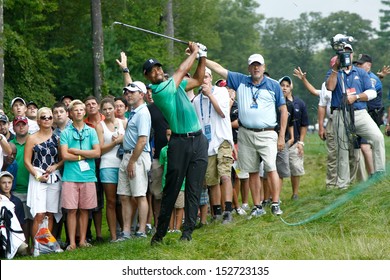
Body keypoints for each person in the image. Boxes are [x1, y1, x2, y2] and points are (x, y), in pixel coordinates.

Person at [206, 53, 287, 216]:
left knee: (271, 168)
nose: (256, 68)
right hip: (246, 133)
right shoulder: (240, 80)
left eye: (259, 65)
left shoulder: (273, 85)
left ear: (264, 67)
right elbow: (219, 69)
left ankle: (275, 203)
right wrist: (200, 56)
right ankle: (257, 206)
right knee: (252, 171)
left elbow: (283, 111)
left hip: (268, 132)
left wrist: (282, 136)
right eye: (253, 65)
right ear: (249, 68)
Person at [143, 41, 208, 244]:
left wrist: (203, 57)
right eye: (152, 71)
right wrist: (195, 52)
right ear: (147, 77)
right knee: (171, 190)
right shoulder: (159, 90)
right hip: (178, 144)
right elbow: (182, 69)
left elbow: (197, 78)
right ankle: (160, 233)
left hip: (198, 140)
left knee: (194, 188)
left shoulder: (176, 84)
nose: (157, 72)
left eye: (158, 68)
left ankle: (187, 232)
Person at [325, 42, 385, 189]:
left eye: (348, 52)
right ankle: (343, 184)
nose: (346, 55)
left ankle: (379, 173)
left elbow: (371, 93)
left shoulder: (361, 72)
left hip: (360, 112)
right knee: (343, 148)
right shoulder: (333, 72)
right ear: (338, 55)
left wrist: (356, 97)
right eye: (343, 53)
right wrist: (335, 69)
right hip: (340, 113)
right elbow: (329, 87)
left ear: (352, 55)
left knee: (377, 137)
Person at [193, 67, 235, 224]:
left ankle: (228, 211)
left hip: (222, 139)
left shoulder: (221, 92)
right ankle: (216, 212)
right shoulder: (196, 101)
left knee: (225, 174)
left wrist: (210, 94)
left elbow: (223, 113)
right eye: (201, 78)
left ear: (211, 78)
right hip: (206, 143)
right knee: (211, 180)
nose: (204, 80)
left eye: (206, 77)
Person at [60, 99, 101, 250]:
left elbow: (97, 152)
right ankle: (71, 242)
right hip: (70, 177)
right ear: (70, 114)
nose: (78, 112)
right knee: (71, 210)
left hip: (88, 176)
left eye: (81, 110)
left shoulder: (91, 131)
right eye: (75, 110)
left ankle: (82, 240)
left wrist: (77, 152)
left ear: (84, 112)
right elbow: (65, 155)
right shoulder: (65, 133)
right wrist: (84, 156)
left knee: (85, 210)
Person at [116, 81, 151, 239]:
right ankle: (126, 231)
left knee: (139, 195)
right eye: (126, 92)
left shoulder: (143, 113)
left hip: (137, 157)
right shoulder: (135, 112)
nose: (128, 94)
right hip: (128, 156)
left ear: (141, 95)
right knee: (124, 195)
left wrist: (132, 162)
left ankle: (141, 230)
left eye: (132, 92)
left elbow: (142, 140)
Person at [24, 107, 63, 246]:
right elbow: (27, 161)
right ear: (39, 120)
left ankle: (46, 244)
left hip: (54, 177)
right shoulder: (32, 138)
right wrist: (37, 175)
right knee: (39, 214)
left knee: (50, 213)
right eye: (43, 117)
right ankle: (37, 246)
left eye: (49, 117)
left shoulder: (58, 138)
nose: (47, 120)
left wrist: (56, 166)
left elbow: (63, 158)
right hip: (38, 175)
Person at [95, 97, 126, 242]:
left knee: (123, 199)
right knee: (112, 201)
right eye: (104, 109)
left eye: (110, 108)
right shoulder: (99, 126)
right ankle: (113, 236)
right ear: (101, 111)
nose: (107, 111)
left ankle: (125, 231)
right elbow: (100, 149)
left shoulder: (123, 123)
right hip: (107, 165)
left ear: (115, 109)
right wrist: (115, 143)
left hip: (123, 164)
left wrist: (122, 141)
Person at [279, 76, 309, 199]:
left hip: (294, 141)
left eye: (287, 85)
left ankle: (295, 193)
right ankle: (276, 196)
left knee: (295, 168)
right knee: (278, 169)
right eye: (282, 85)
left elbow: (304, 124)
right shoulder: (275, 102)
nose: (285, 88)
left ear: (291, 87)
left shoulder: (299, 103)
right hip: (279, 142)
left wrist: (301, 143)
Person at [9, 116, 33, 248]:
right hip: (15, 188)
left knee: (32, 219)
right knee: (21, 220)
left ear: (28, 126)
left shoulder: (34, 141)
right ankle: (22, 246)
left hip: (32, 186)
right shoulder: (9, 145)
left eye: (23, 124)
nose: (21, 127)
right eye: (18, 125)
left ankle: (33, 245)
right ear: (13, 127)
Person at [83, 96, 105, 243]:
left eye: (93, 103)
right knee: (92, 198)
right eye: (88, 105)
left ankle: (102, 233)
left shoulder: (107, 118)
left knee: (110, 199)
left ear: (98, 105)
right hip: (91, 162)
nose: (91, 106)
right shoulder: (83, 124)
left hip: (109, 161)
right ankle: (91, 234)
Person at [159, 128, 185, 233]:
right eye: (168, 135)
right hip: (167, 183)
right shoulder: (164, 150)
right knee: (169, 206)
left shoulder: (182, 150)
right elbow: (162, 166)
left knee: (179, 206)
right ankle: (170, 228)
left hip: (180, 184)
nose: (170, 137)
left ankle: (177, 228)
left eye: (172, 135)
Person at [0, 171, 28, 258]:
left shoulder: (16, 201)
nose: (7, 185)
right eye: (3, 183)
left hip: (13, 234)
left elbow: (21, 223)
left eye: (9, 182)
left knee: (22, 248)